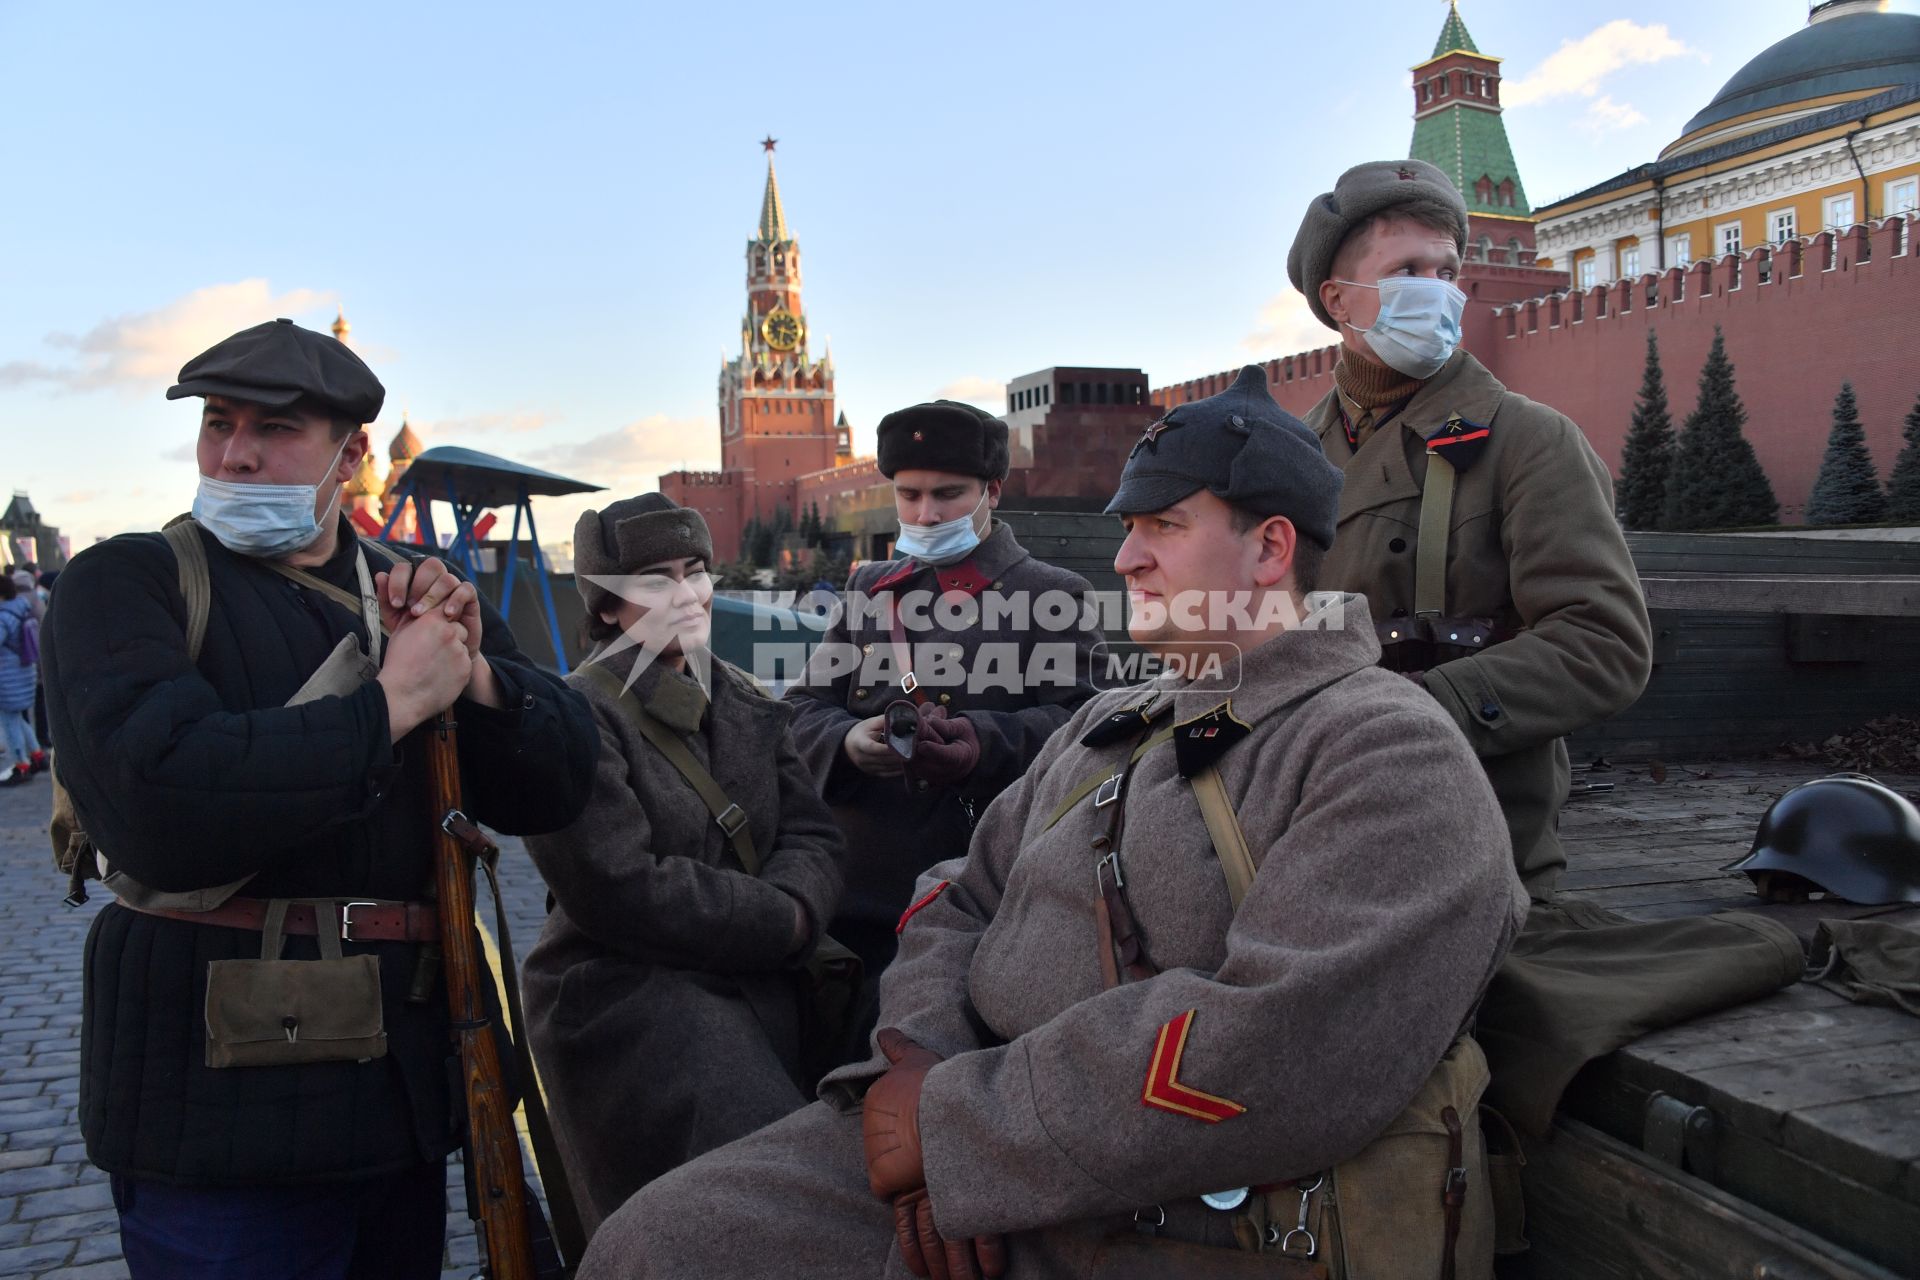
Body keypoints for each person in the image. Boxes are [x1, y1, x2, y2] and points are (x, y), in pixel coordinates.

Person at [580, 366, 1527, 1280]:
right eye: (1127, 527)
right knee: (654, 1242)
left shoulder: (1385, 751)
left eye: (1165, 524)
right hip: (962, 1131)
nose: (1125, 557)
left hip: (1169, 1210)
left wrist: (956, 1136)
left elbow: (1282, 1045)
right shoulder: (1109, 723)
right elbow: (954, 898)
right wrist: (918, 1071)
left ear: (1271, 548)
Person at [43, 317, 599, 1279]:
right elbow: (160, 800)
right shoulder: (127, 581)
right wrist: (390, 704)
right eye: (220, 424)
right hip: (216, 1114)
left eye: (275, 429)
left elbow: (561, 779)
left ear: (353, 455)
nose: (237, 454)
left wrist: (477, 680)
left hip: (399, 1101)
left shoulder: (408, 590)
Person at [1285, 159, 1652, 901]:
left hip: (1472, 839)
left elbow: (1604, 643)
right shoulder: (1286, 457)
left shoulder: (1527, 440)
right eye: (1408, 269)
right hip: (1299, 828)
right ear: (1339, 299)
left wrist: (1425, 705)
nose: (1440, 290)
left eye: (1447, 269)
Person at [522, 493, 848, 1239]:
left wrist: (798, 908)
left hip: (760, 973)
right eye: (655, 581)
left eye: (695, 571)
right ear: (608, 609)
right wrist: (777, 920)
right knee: (756, 1186)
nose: (685, 594)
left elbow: (813, 835)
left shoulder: (741, 696)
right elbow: (617, 887)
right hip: (624, 993)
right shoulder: (573, 719)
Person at [784, 400, 1099, 1042]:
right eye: (909, 495)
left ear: (993, 491)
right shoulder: (869, 588)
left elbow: (1082, 726)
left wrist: (980, 744)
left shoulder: (1051, 594)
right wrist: (846, 741)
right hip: (851, 894)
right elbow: (799, 710)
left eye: (948, 495)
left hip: (970, 896)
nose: (926, 515)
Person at [0, 572, 44, 784]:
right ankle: (36, 755)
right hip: (24, 673)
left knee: (9, 721)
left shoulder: (3, 616)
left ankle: (21, 765)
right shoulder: (22, 608)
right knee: (18, 717)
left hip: (8, 679)